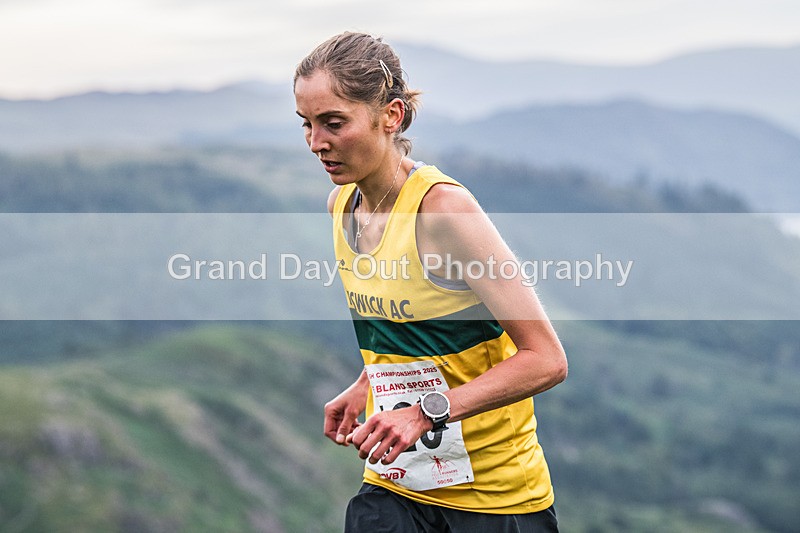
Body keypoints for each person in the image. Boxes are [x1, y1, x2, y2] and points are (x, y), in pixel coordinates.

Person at [294, 31, 567, 532]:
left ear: (391, 116)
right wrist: (366, 385)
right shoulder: (340, 207)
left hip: (495, 501)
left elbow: (546, 360)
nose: (316, 143)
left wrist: (424, 413)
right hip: (395, 485)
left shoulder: (443, 210)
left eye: (333, 123)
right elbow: (410, 324)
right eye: (307, 124)